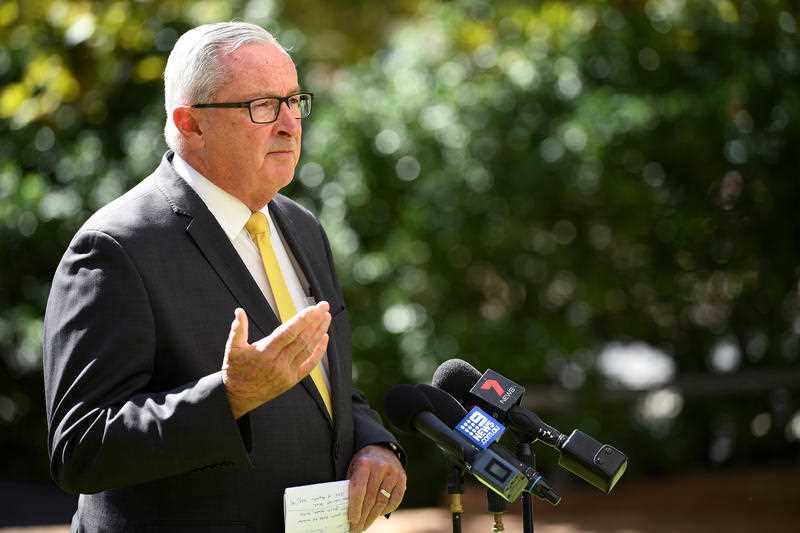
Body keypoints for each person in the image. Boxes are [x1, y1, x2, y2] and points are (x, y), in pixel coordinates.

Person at [43, 22, 406, 532]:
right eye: (261, 106)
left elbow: (324, 384)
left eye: (293, 100)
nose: (289, 124)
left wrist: (373, 442)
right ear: (190, 124)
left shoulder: (300, 226)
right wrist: (229, 396)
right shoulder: (115, 247)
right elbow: (80, 448)